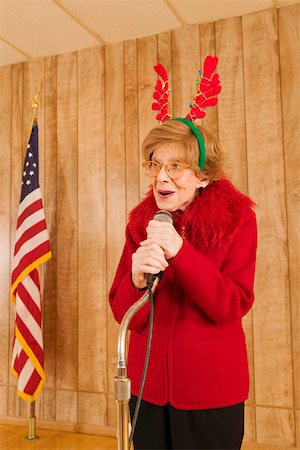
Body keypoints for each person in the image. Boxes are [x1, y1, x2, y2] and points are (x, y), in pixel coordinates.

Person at [109, 58, 257, 450]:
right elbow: (121, 310)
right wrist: (136, 279)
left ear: (204, 175)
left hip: (211, 393)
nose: (161, 177)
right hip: (147, 390)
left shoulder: (237, 221)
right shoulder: (140, 223)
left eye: (176, 166)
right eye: (155, 164)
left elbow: (231, 305)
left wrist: (181, 252)